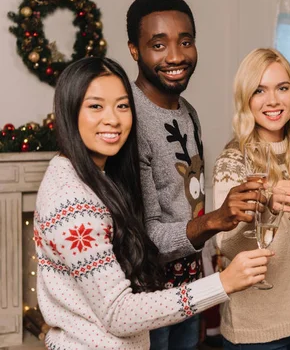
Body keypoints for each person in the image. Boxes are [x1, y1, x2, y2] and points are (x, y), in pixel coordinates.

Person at [34, 57, 272, 349]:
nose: (113, 119)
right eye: (95, 106)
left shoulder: (93, 176)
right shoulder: (73, 202)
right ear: (70, 112)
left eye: (122, 105)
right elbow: (118, 313)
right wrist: (222, 284)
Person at [126, 0, 262, 348]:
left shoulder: (189, 113)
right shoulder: (127, 118)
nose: (175, 55)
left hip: (191, 288)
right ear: (134, 50)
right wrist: (216, 219)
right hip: (147, 295)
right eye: (159, 44)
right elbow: (145, 235)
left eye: (185, 41)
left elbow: (189, 202)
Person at [212, 48, 290, 349]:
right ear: (245, 99)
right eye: (259, 90)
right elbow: (225, 245)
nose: (274, 101)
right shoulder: (233, 159)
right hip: (255, 329)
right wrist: (263, 201)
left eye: (282, 88)